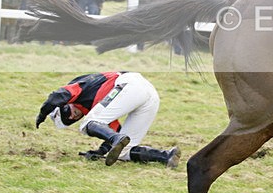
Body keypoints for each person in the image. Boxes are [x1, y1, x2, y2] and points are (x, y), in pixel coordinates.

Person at [34, 71, 181, 168]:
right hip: (150, 95)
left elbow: (57, 95)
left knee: (87, 124)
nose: (72, 117)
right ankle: (166, 156)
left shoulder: (80, 88)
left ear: (65, 105)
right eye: (69, 120)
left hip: (130, 83)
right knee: (124, 151)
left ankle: (117, 139)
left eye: (66, 113)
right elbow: (115, 134)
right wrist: (100, 152)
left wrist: (42, 114)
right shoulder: (100, 112)